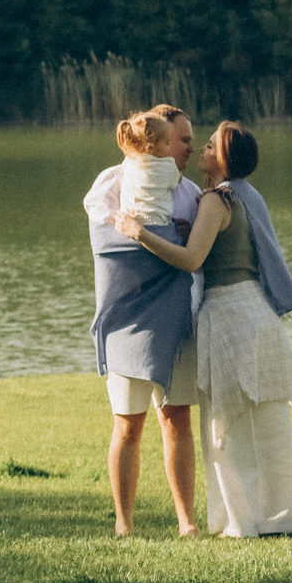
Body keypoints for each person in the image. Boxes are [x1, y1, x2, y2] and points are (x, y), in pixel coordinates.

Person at [119, 121, 292, 538]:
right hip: (255, 312)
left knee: (226, 426)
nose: (201, 150)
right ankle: (283, 517)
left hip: (229, 315)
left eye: (208, 146)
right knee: (267, 423)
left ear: (222, 159)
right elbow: (215, 248)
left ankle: (240, 522)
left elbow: (191, 261)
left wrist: (140, 234)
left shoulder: (214, 199)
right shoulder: (238, 199)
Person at [83, 104, 203, 536]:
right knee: (127, 423)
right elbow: (108, 241)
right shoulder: (112, 182)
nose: (188, 146)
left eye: (190, 140)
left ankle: (187, 522)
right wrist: (143, 239)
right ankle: (124, 523)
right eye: (182, 139)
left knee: (177, 418)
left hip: (177, 317)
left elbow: (196, 253)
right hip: (129, 318)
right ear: (157, 141)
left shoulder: (190, 193)